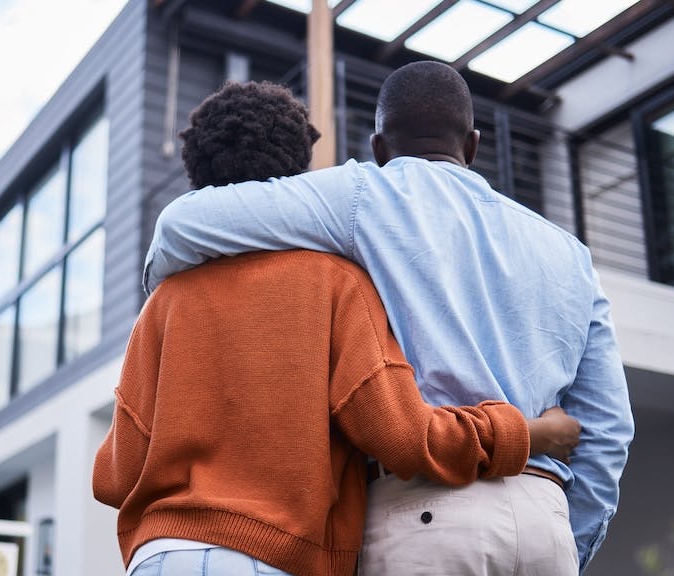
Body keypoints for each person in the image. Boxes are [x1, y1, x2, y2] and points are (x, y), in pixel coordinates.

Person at [143, 63, 635, 574]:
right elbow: (608, 427)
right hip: (545, 521)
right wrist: (568, 540)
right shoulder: (569, 254)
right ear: (472, 145)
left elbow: (182, 224)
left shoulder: (364, 196)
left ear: (379, 148)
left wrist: (167, 295)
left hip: (425, 512)